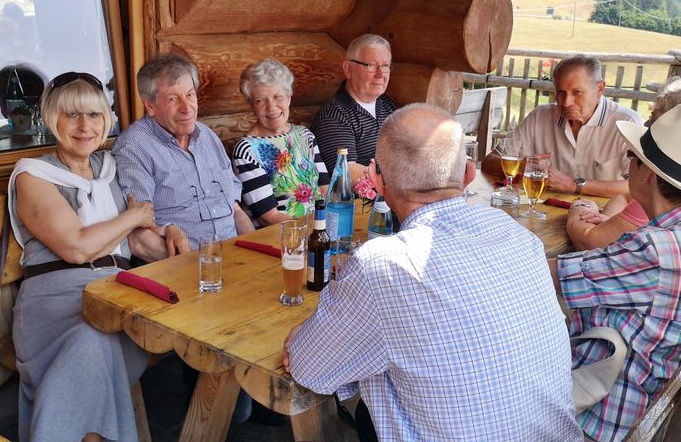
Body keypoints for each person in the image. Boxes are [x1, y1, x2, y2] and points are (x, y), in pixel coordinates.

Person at [285, 103, 581, 441]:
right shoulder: (515, 233)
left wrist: (304, 335)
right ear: (468, 175)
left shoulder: (381, 266)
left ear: (377, 180)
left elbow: (309, 367)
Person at [549, 104, 681, 441]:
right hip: (657, 407)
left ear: (648, 175)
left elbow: (548, 276)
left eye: (632, 157)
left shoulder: (655, 250)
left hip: (607, 416)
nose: (628, 166)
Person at [8, 71, 158, 442]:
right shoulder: (33, 175)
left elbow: (141, 237)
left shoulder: (111, 169)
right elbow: (76, 247)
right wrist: (133, 216)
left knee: (137, 333)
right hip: (57, 298)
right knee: (93, 343)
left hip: (118, 292)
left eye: (93, 114)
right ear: (51, 119)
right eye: (71, 114)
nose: (85, 126)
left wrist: (171, 236)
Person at [113, 54, 254, 260]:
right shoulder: (135, 145)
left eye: (190, 95)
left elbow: (235, 210)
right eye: (172, 98)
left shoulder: (207, 135)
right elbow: (138, 236)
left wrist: (254, 252)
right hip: (187, 266)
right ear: (150, 106)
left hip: (236, 259)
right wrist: (193, 268)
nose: (186, 107)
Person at [481, 55, 642, 197]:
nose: (566, 102)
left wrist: (572, 184)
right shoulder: (539, 117)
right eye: (561, 92)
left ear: (600, 88)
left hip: (605, 217)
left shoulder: (627, 123)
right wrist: (521, 166)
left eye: (577, 92)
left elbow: (639, 187)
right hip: (545, 211)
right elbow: (489, 162)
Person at [231, 59, 329, 226]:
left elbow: (326, 190)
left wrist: (328, 223)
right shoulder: (246, 150)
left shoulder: (305, 135)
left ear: (289, 98)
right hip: (284, 233)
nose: (271, 107)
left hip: (320, 224)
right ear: (252, 105)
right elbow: (268, 217)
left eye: (277, 97)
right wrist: (313, 227)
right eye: (260, 100)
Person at [311, 34, 399, 184]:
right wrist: (406, 178)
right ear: (348, 69)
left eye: (385, 66)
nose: (380, 74)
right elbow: (348, 173)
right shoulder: (334, 116)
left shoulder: (388, 105)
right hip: (369, 199)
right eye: (371, 65)